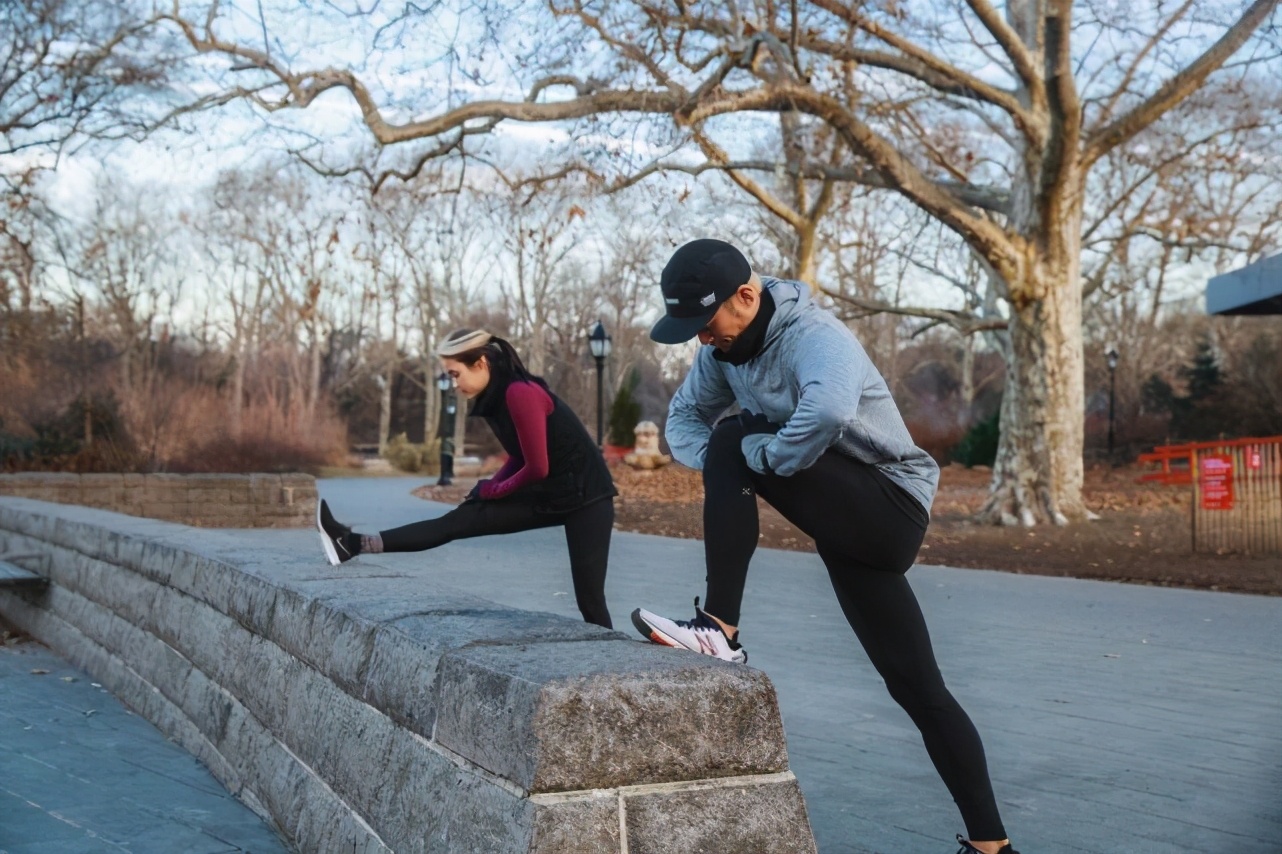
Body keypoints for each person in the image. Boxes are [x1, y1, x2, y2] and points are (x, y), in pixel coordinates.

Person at [630, 239, 1019, 854]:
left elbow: (831, 410)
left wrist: (759, 458)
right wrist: (727, 468)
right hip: (847, 532)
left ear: (748, 297)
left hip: (891, 506)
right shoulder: (720, 355)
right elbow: (682, 420)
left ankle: (719, 632)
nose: (703, 341)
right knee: (918, 689)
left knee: (736, 437)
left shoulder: (815, 335)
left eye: (706, 325)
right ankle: (992, 847)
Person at [317, 328, 618, 629]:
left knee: (590, 600)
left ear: (482, 363)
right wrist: (489, 488)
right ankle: (352, 544)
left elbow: (537, 466)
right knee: (457, 522)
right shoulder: (497, 396)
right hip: (549, 493)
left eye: (455, 374)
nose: (453, 384)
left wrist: (495, 490)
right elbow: (519, 455)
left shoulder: (520, 393)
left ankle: (617, 666)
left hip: (588, 498)